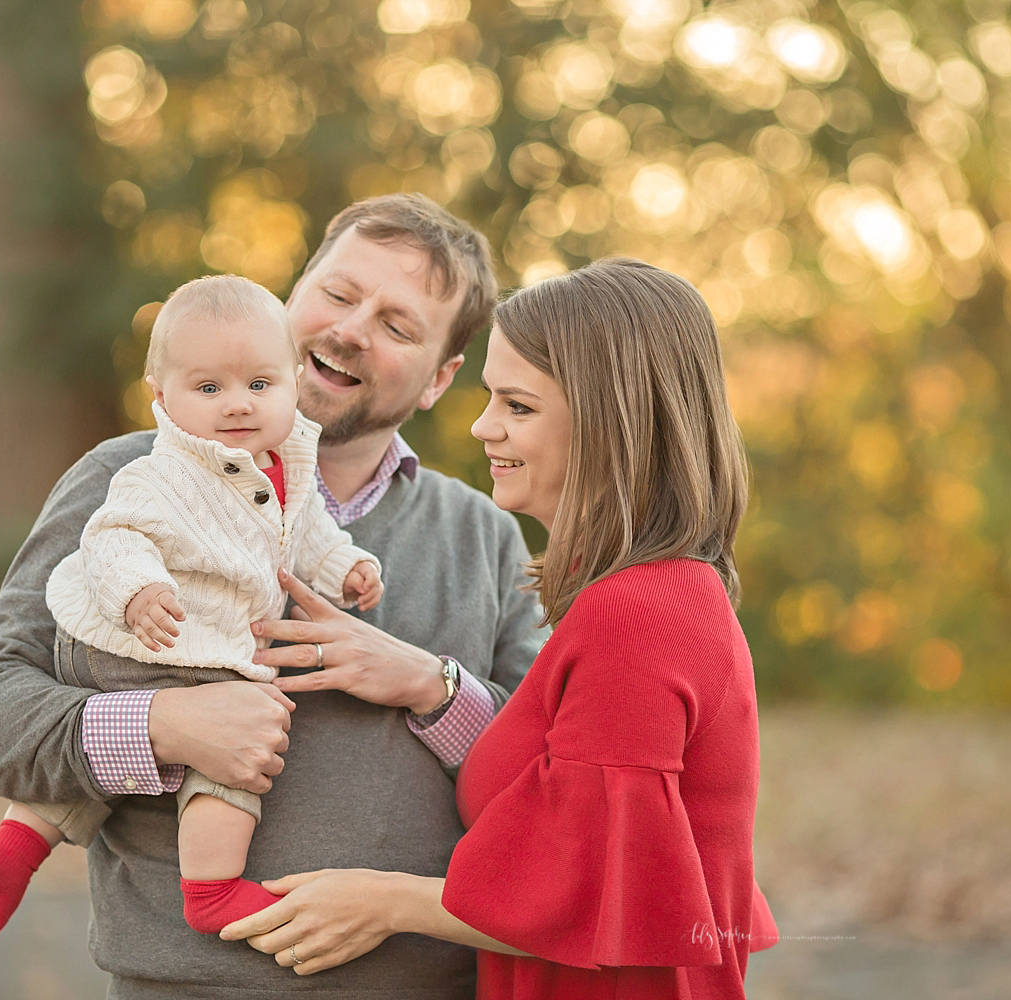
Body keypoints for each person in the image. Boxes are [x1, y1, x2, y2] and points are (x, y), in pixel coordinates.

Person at [0, 193, 546, 998]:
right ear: (292, 300)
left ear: (437, 380)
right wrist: (167, 725)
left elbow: (551, 781)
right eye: (336, 294)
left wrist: (431, 687)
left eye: (398, 325)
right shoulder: (130, 479)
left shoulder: (485, 534)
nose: (352, 328)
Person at [221, 258, 780, 999]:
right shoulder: (636, 598)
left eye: (517, 405)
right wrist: (430, 686)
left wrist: (385, 901)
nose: (485, 427)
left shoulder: (641, 613)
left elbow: (593, 889)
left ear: (611, 421)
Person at [0, 275, 385, 940]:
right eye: (209, 388)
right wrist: (137, 592)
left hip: (185, 647)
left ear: (292, 383)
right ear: (162, 398)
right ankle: (212, 891)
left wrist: (351, 569)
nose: (238, 405)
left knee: (110, 768)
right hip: (143, 639)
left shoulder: (286, 470)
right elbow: (114, 536)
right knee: (231, 767)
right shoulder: (158, 471)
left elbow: (310, 540)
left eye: (259, 385)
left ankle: (14, 849)